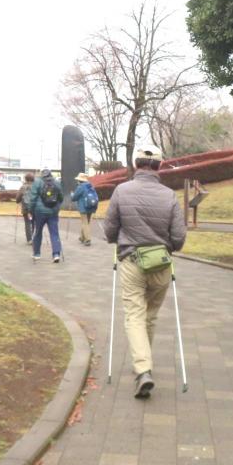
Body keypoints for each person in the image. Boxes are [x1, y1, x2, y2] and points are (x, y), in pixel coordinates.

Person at [103, 145, 186, 399]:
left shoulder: (121, 191)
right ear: (159, 166)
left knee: (135, 316)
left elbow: (109, 230)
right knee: (149, 316)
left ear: (136, 164)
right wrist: (167, 246)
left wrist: (120, 238)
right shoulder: (169, 195)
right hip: (161, 263)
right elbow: (179, 237)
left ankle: (143, 369)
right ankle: (143, 365)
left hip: (131, 261)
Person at [29, 168, 64, 262]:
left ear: (41, 175)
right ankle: (56, 254)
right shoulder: (56, 182)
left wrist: (30, 210)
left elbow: (32, 198)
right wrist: (57, 207)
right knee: (54, 233)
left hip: (39, 212)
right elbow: (61, 197)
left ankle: (37, 254)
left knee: (38, 232)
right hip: (53, 212)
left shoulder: (37, 182)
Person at [71, 172, 99, 246]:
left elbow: (74, 198)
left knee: (84, 222)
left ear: (79, 180)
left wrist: (72, 195)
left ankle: (87, 239)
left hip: (83, 207)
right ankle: (82, 237)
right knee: (87, 222)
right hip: (91, 206)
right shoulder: (90, 186)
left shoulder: (80, 187)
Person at [16, 172, 35, 244]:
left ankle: (29, 239)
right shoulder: (36, 186)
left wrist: (18, 201)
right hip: (35, 208)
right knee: (34, 222)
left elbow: (18, 198)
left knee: (27, 223)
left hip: (26, 208)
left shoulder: (23, 187)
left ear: (26, 179)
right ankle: (34, 237)